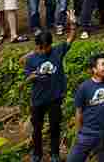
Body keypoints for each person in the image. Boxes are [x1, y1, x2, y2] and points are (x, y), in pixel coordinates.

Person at [24, 10, 77, 162]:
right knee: (37, 129)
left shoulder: (57, 51)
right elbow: (27, 79)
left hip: (54, 98)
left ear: (49, 45)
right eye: (39, 47)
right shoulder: (32, 59)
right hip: (38, 99)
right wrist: (32, 76)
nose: (41, 50)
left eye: (43, 48)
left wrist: (72, 23)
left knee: (54, 126)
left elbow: (71, 39)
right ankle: (37, 153)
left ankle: (54, 153)